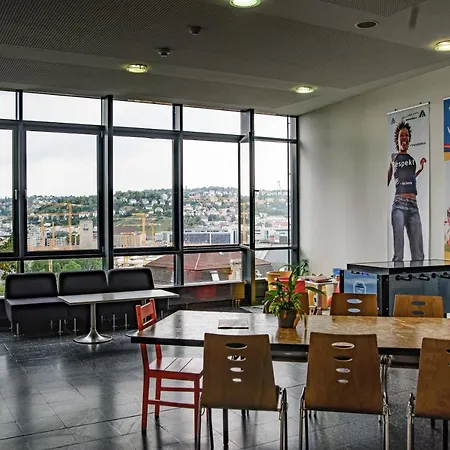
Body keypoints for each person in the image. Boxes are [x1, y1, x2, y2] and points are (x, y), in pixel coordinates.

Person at [387, 121, 426, 262]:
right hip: (399, 205)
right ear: (397, 139)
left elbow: (410, 177)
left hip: (413, 207)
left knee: (419, 255)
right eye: (401, 135)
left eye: (407, 135)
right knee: (399, 254)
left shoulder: (411, 159)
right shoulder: (394, 157)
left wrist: (420, 169)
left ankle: (418, 277)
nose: (404, 138)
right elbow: (389, 177)